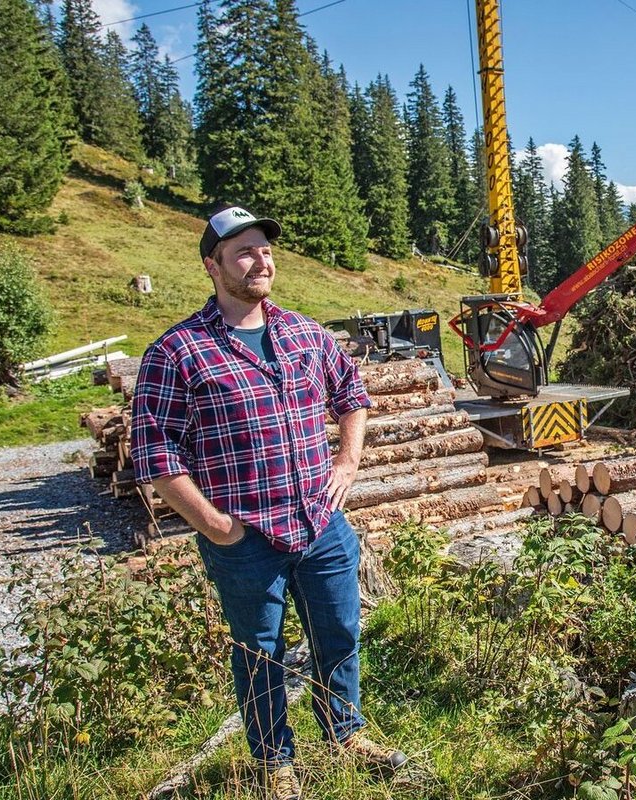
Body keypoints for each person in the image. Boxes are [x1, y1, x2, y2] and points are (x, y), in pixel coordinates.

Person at [131, 205, 406, 800]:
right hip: (245, 536)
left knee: (338, 629)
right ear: (213, 266)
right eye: (244, 253)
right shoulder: (178, 352)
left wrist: (347, 462)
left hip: (320, 521)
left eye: (265, 250)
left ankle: (345, 733)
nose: (261, 262)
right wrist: (214, 525)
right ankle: (275, 761)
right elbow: (155, 454)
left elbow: (351, 394)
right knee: (260, 650)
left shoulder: (306, 333)